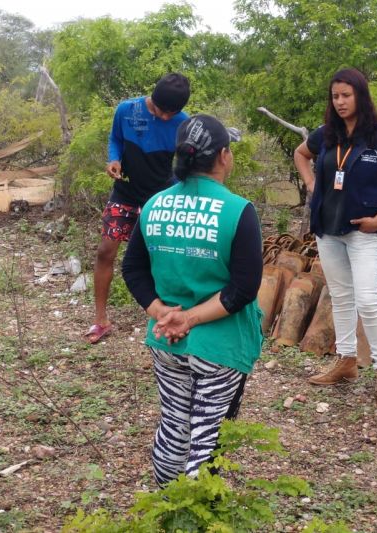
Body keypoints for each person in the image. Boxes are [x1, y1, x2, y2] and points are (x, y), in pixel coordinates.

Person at [121, 114, 263, 486]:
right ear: (223, 157)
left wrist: (161, 312)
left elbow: (133, 269)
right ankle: (199, 515)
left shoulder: (153, 205)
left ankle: (165, 504)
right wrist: (192, 319)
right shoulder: (238, 210)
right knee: (207, 436)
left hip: (165, 339)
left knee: (173, 422)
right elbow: (244, 288)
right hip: (219, 346)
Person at [293, 68, 377, 410]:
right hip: (328, 230)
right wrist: (312, 184)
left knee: (368, 301)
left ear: (360, 95)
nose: (340, 102)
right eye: (335, 96)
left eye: (346, 95)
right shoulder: (326, 134)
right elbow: (301, 154)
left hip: (365, 233)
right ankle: (346, 361)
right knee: (342, 297)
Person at [85, 73, 191, 344]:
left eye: (172, 112)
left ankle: (170, 318)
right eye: (160, 110)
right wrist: (113, 160)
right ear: (151, 99)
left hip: (161, 198)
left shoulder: (184, 123)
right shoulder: (127, 110)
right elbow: (115, 140)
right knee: (105, 251)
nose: (166, 117)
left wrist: (173, 196)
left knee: (166, 258)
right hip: (126, 192)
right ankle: (100, 320)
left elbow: (183, 166)